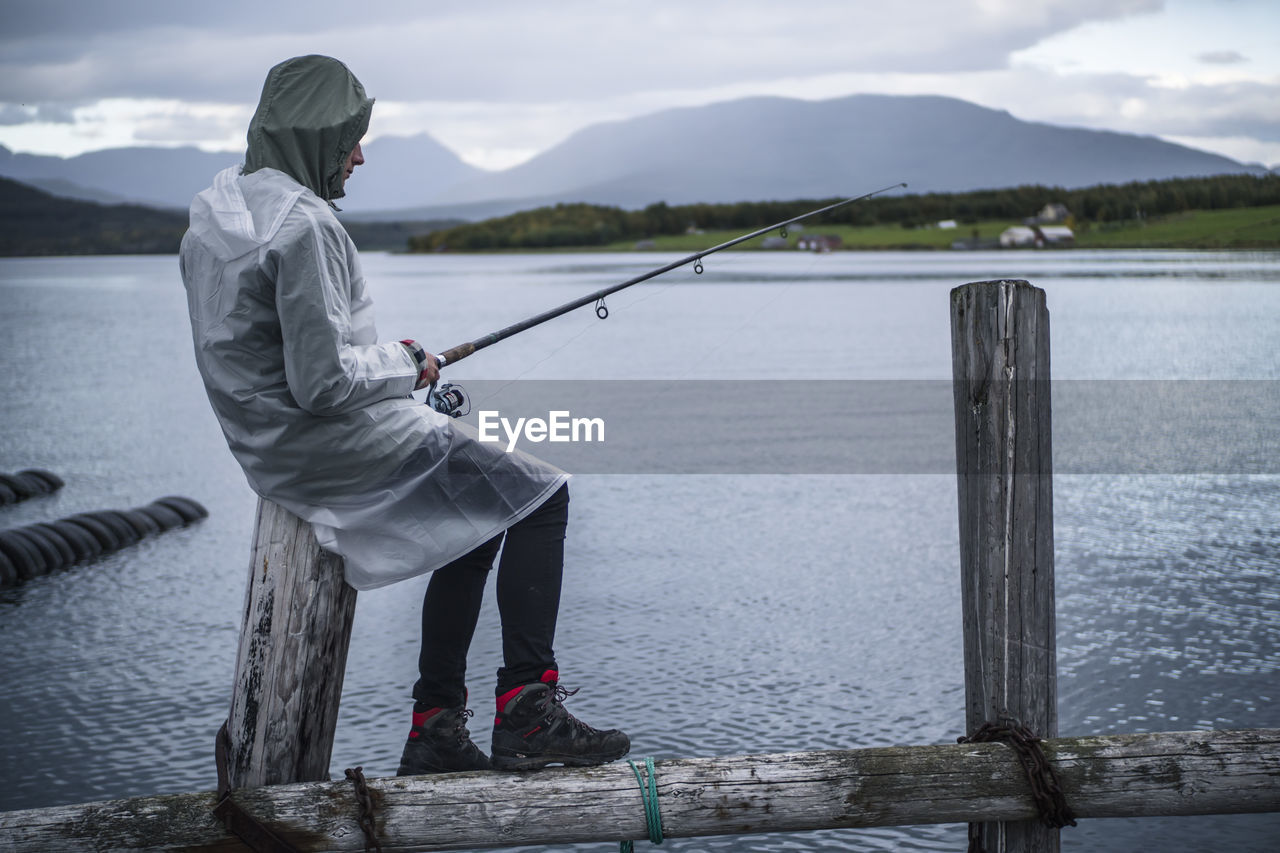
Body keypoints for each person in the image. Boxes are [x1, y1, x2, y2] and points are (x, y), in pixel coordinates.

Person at [179, 54, 629, 774]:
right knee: (543, 491)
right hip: (327, 439)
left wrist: (389, 366)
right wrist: (407, 358)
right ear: (315, 135)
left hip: (264, 448)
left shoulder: (213, 214)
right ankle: (526, 708)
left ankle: (437, 728)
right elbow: (323, 383)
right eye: (350, 137)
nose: (358, 155)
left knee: (481, 511)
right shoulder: (305, 227)